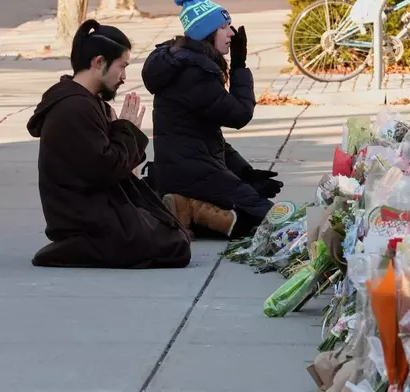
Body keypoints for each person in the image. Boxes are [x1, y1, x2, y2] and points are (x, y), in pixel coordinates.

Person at [26, 19, 192, 269]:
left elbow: (110, 167)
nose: (124, 76)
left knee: (171, 233)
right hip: (83, 217)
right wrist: (127, 130)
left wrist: (122, 131)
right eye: (121, 66)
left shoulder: (86, 102)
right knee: (174, 247)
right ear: (99, 63)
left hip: (94, 209)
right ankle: (72, 247)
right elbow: (105, 168)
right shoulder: (74, 108)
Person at [141, 0, 283, 240]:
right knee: (269, 218)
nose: (231, 33)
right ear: (206, 32)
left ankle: (185, 208)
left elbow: (208, 137)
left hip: (187, 168)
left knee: (256, 204)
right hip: (189, 172)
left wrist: (246, 173)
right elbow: (240, 114)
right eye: (224, 27)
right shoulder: (194, 71)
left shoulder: (186, 62)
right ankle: (187, 208)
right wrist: (239, 65)